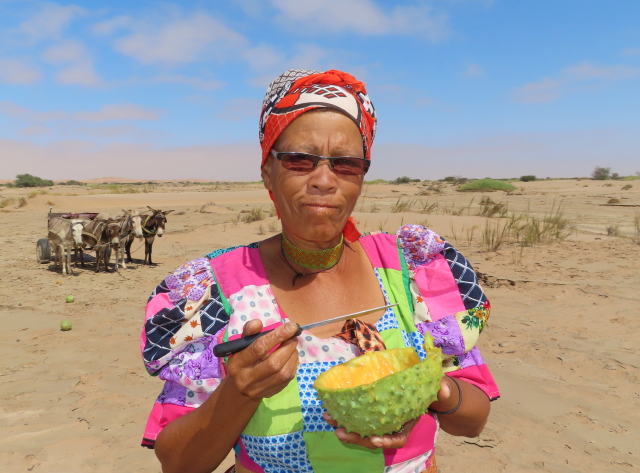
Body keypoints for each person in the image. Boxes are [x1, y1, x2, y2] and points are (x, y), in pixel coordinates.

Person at [140, 69, 499, 473]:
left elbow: (474, 419)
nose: (324, 181)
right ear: (267, 173)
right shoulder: (214, 289)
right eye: (299, 160)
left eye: (345, 164)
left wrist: (430, 388)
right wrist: (238, 392)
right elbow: (177, 462)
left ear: (362, 177)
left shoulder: (411, 268)